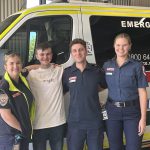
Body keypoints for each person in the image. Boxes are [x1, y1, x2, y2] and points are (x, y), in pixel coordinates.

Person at [103, 33, 148, 150]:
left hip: (132, 113)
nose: (120, 48)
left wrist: (143, 119)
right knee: (115, 147)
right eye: (118, 45)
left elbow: (142, 92)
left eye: (124, 45)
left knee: (133, 147)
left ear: (130, 46)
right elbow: (98, 85)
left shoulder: (137, 66)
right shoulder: (107, 65)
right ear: (114, 46)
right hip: (112, 112)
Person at [63, 38, 107, 150]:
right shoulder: (67, 73)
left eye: (81, 50)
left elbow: (104, 86)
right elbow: (61, 91)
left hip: (95, 123)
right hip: (75, 124)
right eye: (75, 51)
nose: (78, 53)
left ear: (86, 51)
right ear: (71, 53)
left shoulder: (97, 71)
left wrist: (91, 95)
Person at [26, 42, 66, 150]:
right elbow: (19, 70)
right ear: (36, 56)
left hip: (57, 122)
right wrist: (38, 66)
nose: (45, 57)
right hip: (38, 123)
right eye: (42, 54)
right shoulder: (31, 74)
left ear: (52, 56)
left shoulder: (59, 70)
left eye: (48, 54)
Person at [0, 52, 34, 150]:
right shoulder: (3, 88)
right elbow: (6, 115)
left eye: (18, 63)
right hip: (11, 137)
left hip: (22, 134)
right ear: (5, 67)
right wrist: (23, 130)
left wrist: (44, 65)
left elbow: (29, 68)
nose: (15, 66)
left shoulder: (21, 78)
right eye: (11, 63)